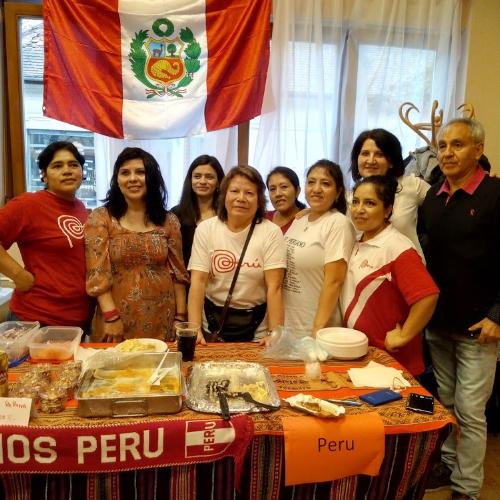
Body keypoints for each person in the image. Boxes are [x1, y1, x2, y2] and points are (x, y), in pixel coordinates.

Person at [420, 118, 500, 500]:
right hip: (438, 324)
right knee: (447, 404)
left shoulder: (496, 194)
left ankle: (466, 488)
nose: (447, 153)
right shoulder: (433, 197)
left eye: (458, 144)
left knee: (470, 412)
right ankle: (450, 467)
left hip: (478, 328)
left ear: (478, 150)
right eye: (443, 145)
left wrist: (498, 316)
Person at [85, 147, 189, 342]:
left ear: (152, 177)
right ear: (117, 180)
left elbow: (179, 275)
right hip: (115, 319)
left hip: (163, 317)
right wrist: (111, 317)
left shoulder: (169, 221)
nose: (133, 178)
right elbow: (97, 274)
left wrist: (180, 318)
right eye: (125, 173)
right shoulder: (101, 218)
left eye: (140, 172)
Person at [341, 175, 439, 376]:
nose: (359, 209)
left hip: (392, 363)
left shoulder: (397, 247)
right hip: (362, 355)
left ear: (388, 210)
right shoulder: (357, 239)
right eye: (355, 202)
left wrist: (403, 335)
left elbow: (428, 296)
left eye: (370, 203)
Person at [0, 141, 94, 330]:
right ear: (44, 175)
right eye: (57, 166)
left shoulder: (80, 207)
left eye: (73, 165)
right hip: (35, 319)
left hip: (77, 320)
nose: (67, 171)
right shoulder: (27, 205)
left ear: (82, 172)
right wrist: (18, 275)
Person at [188, 165, 286, 343]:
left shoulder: (271, 232)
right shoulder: (206, 229)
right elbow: (198, 281)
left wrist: (274, 333)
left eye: (249, 193)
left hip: (257, 327)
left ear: (259, 200)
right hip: (212, 323)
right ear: (224, 195)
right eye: (234, 191)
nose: (241, 198)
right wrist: (194, 330)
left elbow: (275, 287)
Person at [283, 160, 355, 338]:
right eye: (311, 182)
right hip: (287, 323)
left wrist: (317, 330)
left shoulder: (338, 223)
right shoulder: (299, 219)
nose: (316, 189)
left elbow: (334, 282)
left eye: (325, 183)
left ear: (338, 191)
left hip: (315, 327)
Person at [350, 128, 430, 257]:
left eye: (379, 154)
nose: (371, 160)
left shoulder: (412, 185)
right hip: (363, 266)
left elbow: (445, 205)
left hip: (407, 265)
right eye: (365, 153)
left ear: (391, 162)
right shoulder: (348, 198)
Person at [171, 155, 225, 266]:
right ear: (190, 180)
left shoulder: (226, 213)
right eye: (197, 176)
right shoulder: (175, 214)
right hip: (185, 274)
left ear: (219, 182)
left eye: (209, 177)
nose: (202, 181)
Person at [265, 166, 306, 234]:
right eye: (272, 189)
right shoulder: (263, 219)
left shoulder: (306, 220)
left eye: (284, 187)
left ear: (297, 190)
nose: (278, 194)